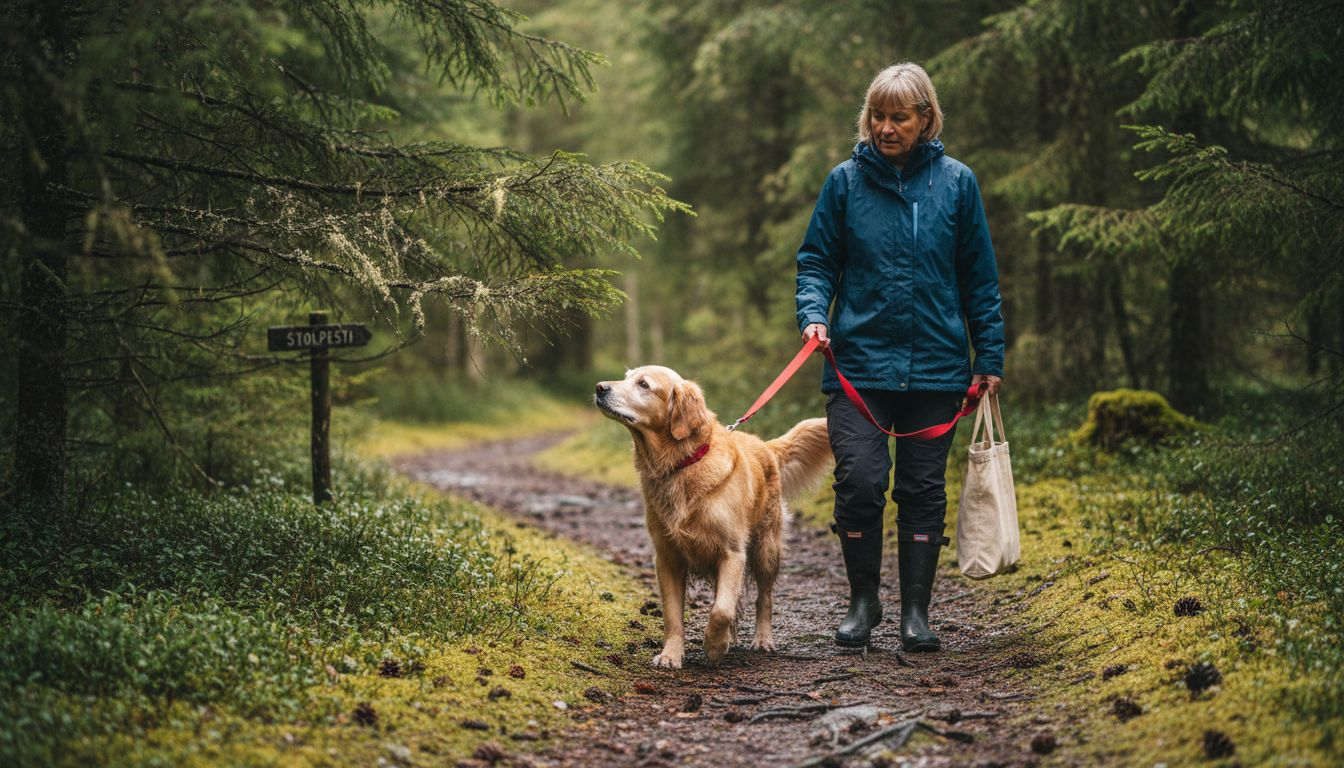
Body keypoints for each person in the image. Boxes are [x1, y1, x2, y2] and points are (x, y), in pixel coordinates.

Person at [795, 62, 1005, 652]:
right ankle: (864, 603)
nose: (886, 128)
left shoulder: (958, 184)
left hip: (937, 366)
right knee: (859, 481)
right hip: (856, 364)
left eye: (899, 117)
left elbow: (980, 281)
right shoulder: (843, 183)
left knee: (921, 488)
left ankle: (917, 613)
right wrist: (814, 314)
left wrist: (988, 356)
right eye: (878, 117)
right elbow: (815, 262)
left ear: (925, 119)